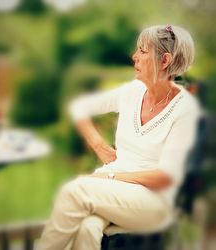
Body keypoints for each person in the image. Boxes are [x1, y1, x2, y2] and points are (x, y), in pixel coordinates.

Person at [37, 25, 201, 250]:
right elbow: (79, 107)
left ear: (164, 61)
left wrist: (111, 176)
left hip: (154, 202)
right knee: (87, 228)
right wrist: (100, 146)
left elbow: (166, 177)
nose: (134, 56)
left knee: (74, 190)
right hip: (113, 190)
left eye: (142, 51)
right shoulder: (132, 91)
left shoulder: (185, 109)